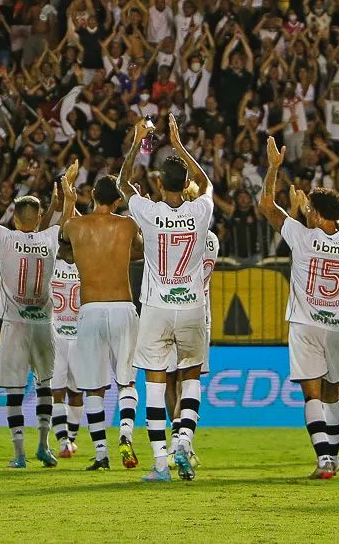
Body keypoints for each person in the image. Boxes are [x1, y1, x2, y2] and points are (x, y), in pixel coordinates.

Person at [259, 136, 339, 480]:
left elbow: (266, 204)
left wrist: (274, 168)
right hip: (338, 326)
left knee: (311, 393)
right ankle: (333, 458)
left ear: (318, 215)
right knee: (333, 392)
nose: (305, 210)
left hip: (306, 324)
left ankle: (323, 460)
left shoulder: (302, 237)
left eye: (309, 209)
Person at [118, 115, 214, 482]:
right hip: (192, 306)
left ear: (159, 184)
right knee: (190, 378)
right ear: (185, 182)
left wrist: (138, 139)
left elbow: (123, 182)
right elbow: (205, 183)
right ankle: (184, 440)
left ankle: (161, 464)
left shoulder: (148, 210)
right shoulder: (200, 210)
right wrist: (179, 143)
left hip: (157, 307)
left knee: (156, 386)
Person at [0, 160, 75, 468]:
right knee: (44, 387)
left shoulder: (5, 238)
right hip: (43, 324)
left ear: (14, 218)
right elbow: (66, 221)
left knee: (14, 390)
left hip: (15, 324)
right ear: (39, 218)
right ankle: (43, 446)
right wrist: (67, 195)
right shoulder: (50, 237)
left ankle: (19, 454)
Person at [58, 169, 141, 472]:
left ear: (91, 195)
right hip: (122, 306)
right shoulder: (128, 225)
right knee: (127, 381)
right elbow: (141, 251)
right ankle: (126, 434)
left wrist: (68, 197)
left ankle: (102, 454)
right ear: (118, 200)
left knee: (93, 388)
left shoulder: (75, 226)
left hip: (90, 309)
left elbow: (62, 245)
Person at [168, 226, 218, 471]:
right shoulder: (212, 240)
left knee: (168, 381)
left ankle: (175, 441)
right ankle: (184, 439)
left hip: (168, 309)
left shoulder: (170, 232)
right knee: (188, 380)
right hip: (200, 316)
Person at [49, 245, 84, 459]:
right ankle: (70, 439)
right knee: (77, 392)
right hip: (78, 336)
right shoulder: (86, 265)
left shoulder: (52, 266)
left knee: (57, 392)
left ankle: (64, 442)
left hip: (57, 335)